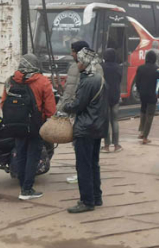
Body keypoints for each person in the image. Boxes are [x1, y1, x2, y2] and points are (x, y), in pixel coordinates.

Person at [1, 54, 56, 200]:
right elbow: (50, 109)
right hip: (35, 125)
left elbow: (3, 103)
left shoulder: (11, 80)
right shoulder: (42, 81)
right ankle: (27, 189)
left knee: (20, 154)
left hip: (15, 125)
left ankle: (21, 186)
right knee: (33, 155)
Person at [63, 48, 108, 214]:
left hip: (85, 129)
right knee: (93, 164)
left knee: (83, 166)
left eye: (80, 61)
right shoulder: (100, 79)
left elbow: (78, 105)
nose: (78, 63)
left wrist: (66, 106)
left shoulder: (88, 82)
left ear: (86, 62)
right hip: (97, 128)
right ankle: (96, 196)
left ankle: (87, 201)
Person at [135, 51, 159, 144]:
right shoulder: (158, 70)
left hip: (143, 95)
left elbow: (137, 82)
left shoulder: (140, 68)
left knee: (143, 112)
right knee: (150, 115)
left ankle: (141, 132)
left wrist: (139, 91)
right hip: (152, 95)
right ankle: (145, 137)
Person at [101, 48, 123, 153]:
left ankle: (106, 146)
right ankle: (116, 145)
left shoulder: (102, 67)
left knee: (106, 121)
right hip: (115, 96)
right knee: (115, 120)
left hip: (105, 96)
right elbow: (119, 80)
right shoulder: (118, 67)